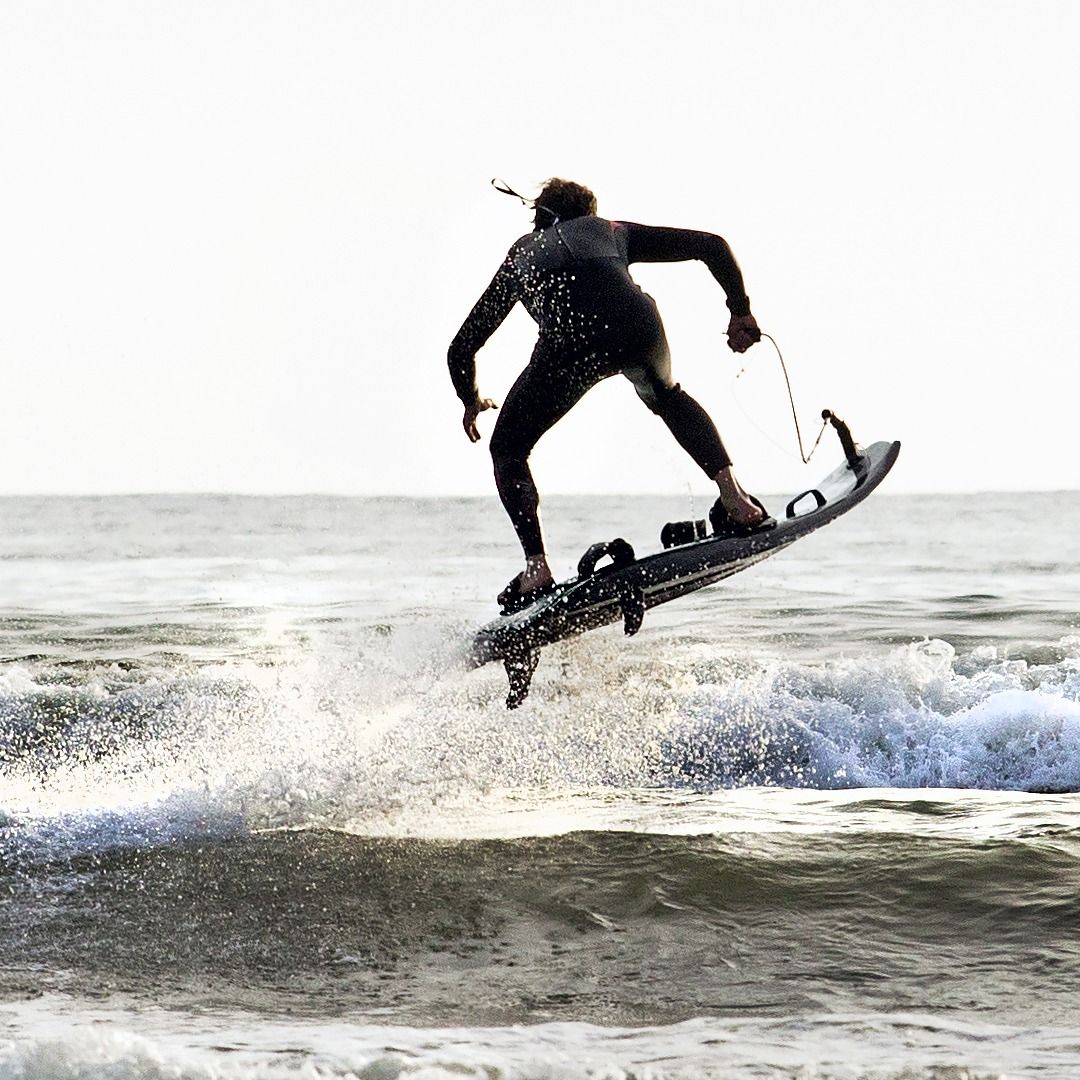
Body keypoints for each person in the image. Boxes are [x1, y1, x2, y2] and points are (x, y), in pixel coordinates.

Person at [448, 178, 770, 614]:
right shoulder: (611, 231)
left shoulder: (521, 255)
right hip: (635, 325)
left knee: (508, 449)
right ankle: (736, 500)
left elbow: (462, 346)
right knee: (667, 395)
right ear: (589, 212)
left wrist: (470, 398)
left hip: (570, 342)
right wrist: (740, 310)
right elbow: (711, 245)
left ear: (540, 217)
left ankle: (536, 568)